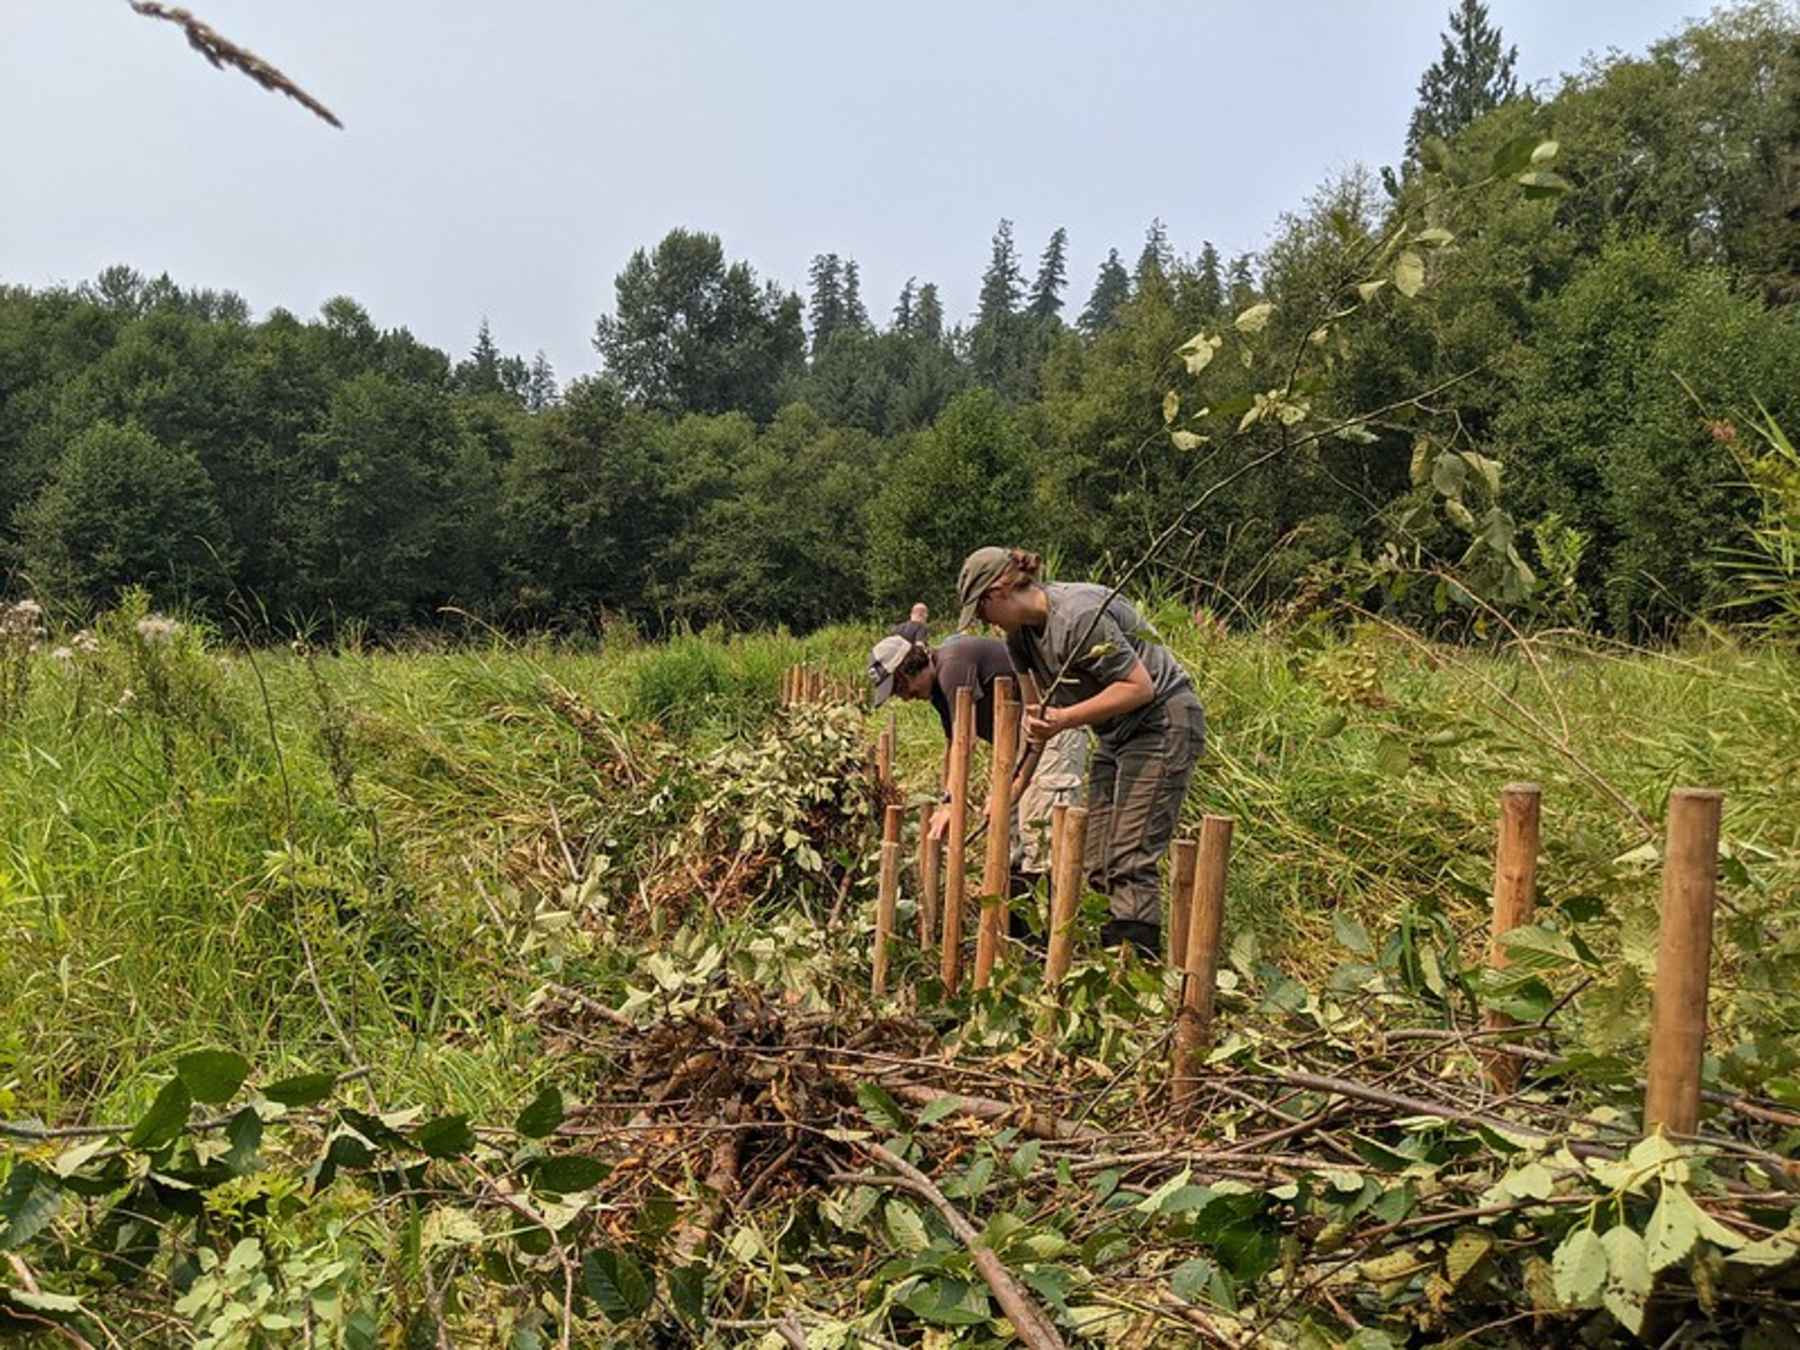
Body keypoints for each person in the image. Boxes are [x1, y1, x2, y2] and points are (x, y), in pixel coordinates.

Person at [956, 547, 1204, 958]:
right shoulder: (1020, 640)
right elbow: (1035, 721)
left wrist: (1065, 718)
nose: (984, 623)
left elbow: (1139, 687)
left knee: (1129, 854)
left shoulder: (1077, 616)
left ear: (998, 591)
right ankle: (1111, 960)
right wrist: (1013, 787)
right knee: (1097, 861)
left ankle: (1134, 976)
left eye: (981, 611)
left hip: (1162, 721)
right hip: (1113, 733)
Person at [867, 632, 1086, 901]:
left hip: (1054, 731)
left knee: (1039, 831)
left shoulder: (952, 664)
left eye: (900, 688)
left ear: (908, 668)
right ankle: (1017, 928)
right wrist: (945, 799)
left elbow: (966, 741)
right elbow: (953, 746)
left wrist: (952, 803)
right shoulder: (938, 689)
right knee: (1011, 833)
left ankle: (1046, 932)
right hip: (1020, 746)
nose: (905, 697)